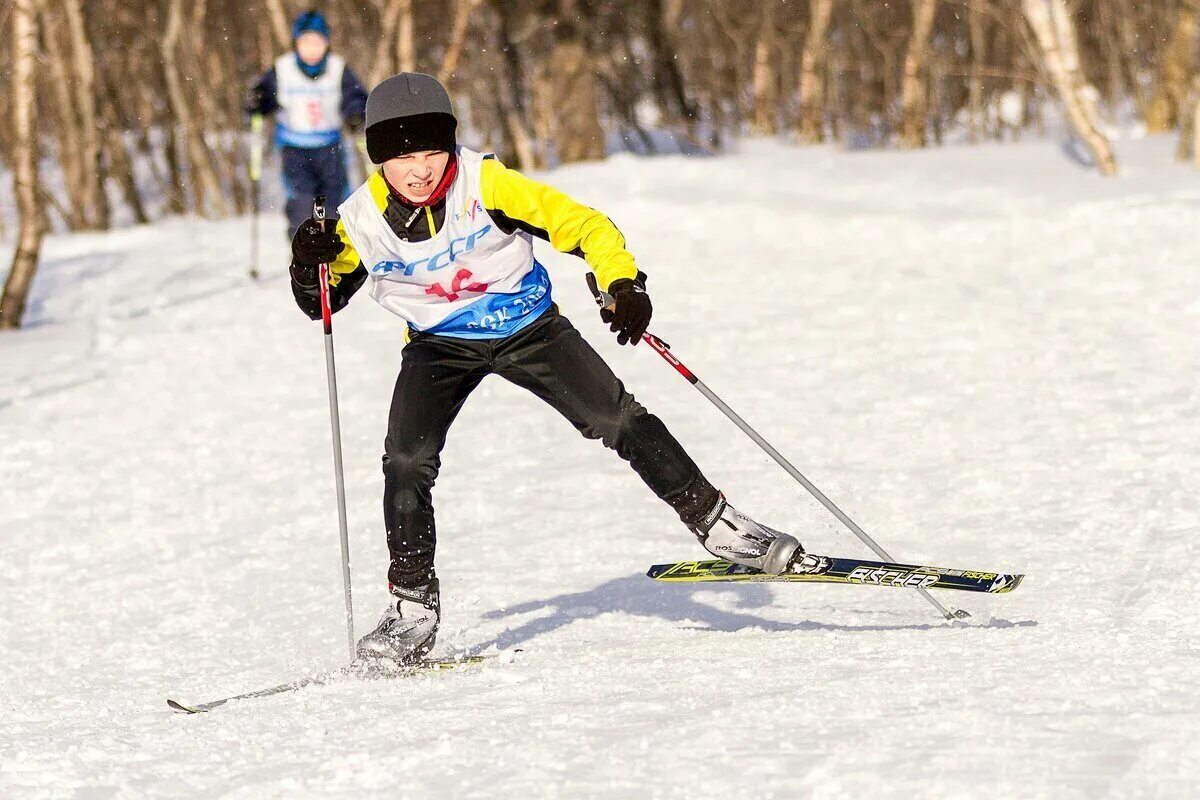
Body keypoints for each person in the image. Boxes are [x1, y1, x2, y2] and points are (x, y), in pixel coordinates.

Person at [287, 73, 806, 664]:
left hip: (528, 325)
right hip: (439, 344)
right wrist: (309, 263)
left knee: (618, 419)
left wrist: (622, 284)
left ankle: (720, 527)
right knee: (406, 460)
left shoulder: (486, 183)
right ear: (379, 160)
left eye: (432, 151)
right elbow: (319, 303)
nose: (421, 170)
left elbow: (583, 225)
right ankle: (411, 608)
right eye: (403, 156)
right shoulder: (358, 221)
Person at [244, 10, 368, 234]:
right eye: (305, 42)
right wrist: (258, 101)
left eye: (317, 42)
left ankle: (337, 253)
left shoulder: (337, 68)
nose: (312, 49)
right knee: (302, 203)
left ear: (327, 43)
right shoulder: (283, 69)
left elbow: (355, 97)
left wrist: (356, 113)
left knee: (334, 203)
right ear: (296, 43)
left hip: (330, 147)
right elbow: (264, 97)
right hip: (294, 149)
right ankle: (303, 252)